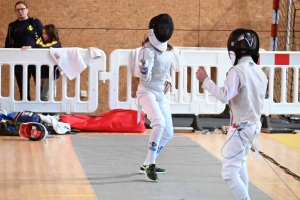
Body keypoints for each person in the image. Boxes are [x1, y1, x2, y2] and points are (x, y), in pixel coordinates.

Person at [196, 28, 268, 199]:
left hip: (241, 128)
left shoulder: (236, 72)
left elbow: (224, 96)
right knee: (240, 165)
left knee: (229, 172)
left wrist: (205, 80)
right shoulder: (260, 72)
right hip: (254, 126)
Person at [136, 14, 175, 182]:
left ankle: (147, 162)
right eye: (162, 28)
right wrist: (144, 70)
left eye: (167, 28)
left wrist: (168, 80)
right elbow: (145, 79)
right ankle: (151, 165)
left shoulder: (169, 50)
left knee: (168, 133)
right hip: (146, 92)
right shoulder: (147, 51)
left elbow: (166, 71)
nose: (165, 30)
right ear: (154, 30)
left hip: (160, 94)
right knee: (158, 123)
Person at [5, 1, 43, 101]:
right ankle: (26, 110)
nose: (20, 11)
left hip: (36, 59)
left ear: (27, 10)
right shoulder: (12, 26)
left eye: (22, 9)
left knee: (40, 86)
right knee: (23, 87)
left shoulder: (35, 22)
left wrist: (33, 47)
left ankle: (43, 110)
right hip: (19, 61)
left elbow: (44, 41)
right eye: (18, 10)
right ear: (15, 12)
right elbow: (8, 44)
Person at [22, 24, 62, 101]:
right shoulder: (43, 43)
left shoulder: (56, 44)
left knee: (45, 96)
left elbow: (47, 48)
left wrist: (32, 47)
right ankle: (47, 113)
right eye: (42, 33)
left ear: (51, 34)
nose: (43, 35)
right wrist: (41, 76)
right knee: (45, 95)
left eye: (45, 34)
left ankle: (51, 113)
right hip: (45, 73)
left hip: (52, 73)